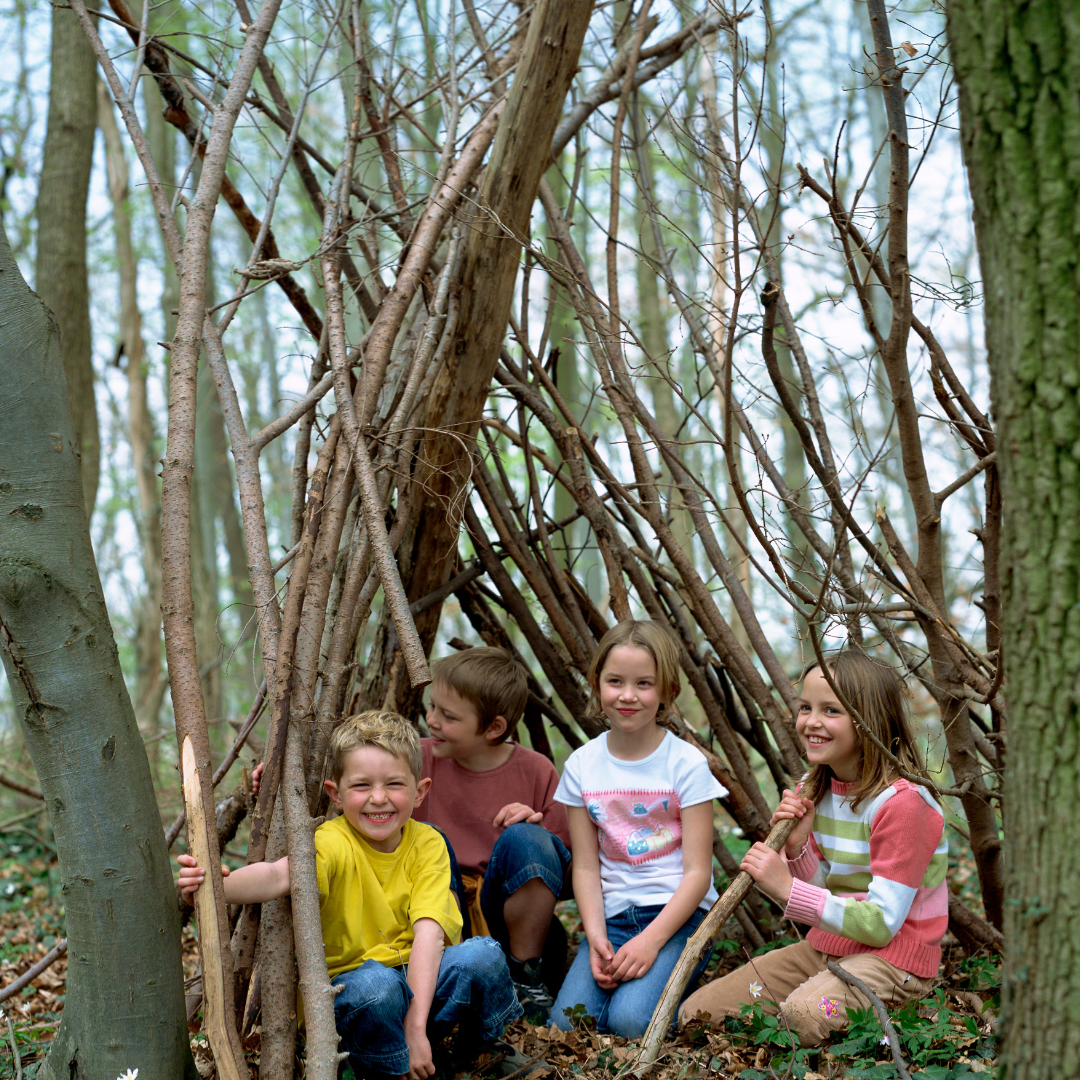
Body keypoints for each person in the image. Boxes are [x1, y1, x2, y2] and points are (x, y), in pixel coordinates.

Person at [178, 711, 524, 1080]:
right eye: (361, 786)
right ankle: (386, 1067)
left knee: (482, 954)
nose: (379, 798)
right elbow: (279, 874)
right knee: (378, 986)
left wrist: (416, 1027)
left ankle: (476, 1049)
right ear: (336, 794)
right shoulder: (331, 841)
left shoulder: (428, 844)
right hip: (355, 993)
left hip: (421, 982)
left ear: (420, 791)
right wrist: (213, 886)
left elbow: (430, 934)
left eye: (394, 784)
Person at [678, 649, 947, 1046]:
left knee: (803, 1015)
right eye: (806, 707)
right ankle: (811, 1000)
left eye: (831, 711)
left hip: (892, 962)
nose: (811, 722)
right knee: (698, 1014)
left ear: (869, 721)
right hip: (827, 948)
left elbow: (881, 923)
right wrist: (799, 845)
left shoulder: (904, 804)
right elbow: (829, 894)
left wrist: (785, 888)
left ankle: (856, 1005)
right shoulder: (818, 786)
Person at [550, 620, 726, 1038]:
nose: (628, 696)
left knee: (630, 1023)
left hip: (677, 918)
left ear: (667, 691)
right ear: (596, 684)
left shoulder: (685, 764)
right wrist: (595, 938)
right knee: (568, 1025)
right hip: (611, 919)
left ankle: (674, 980)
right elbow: (587, 868)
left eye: (644, 684)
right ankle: (644, 982)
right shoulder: (582, 765)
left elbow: (699, 874)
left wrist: (650, 942)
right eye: (615, 681)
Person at [412, 647, 572, 1023]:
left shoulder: (535, 771)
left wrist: (537, 829)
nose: (431, 720)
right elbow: (353, 774)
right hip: (435, 915)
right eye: (431, 707)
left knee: (526, 838)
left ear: (494, 728)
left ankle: (524, 976)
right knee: (433, 843)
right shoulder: (413, 759)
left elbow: (563, 876)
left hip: (506, 918)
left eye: (448, 716)